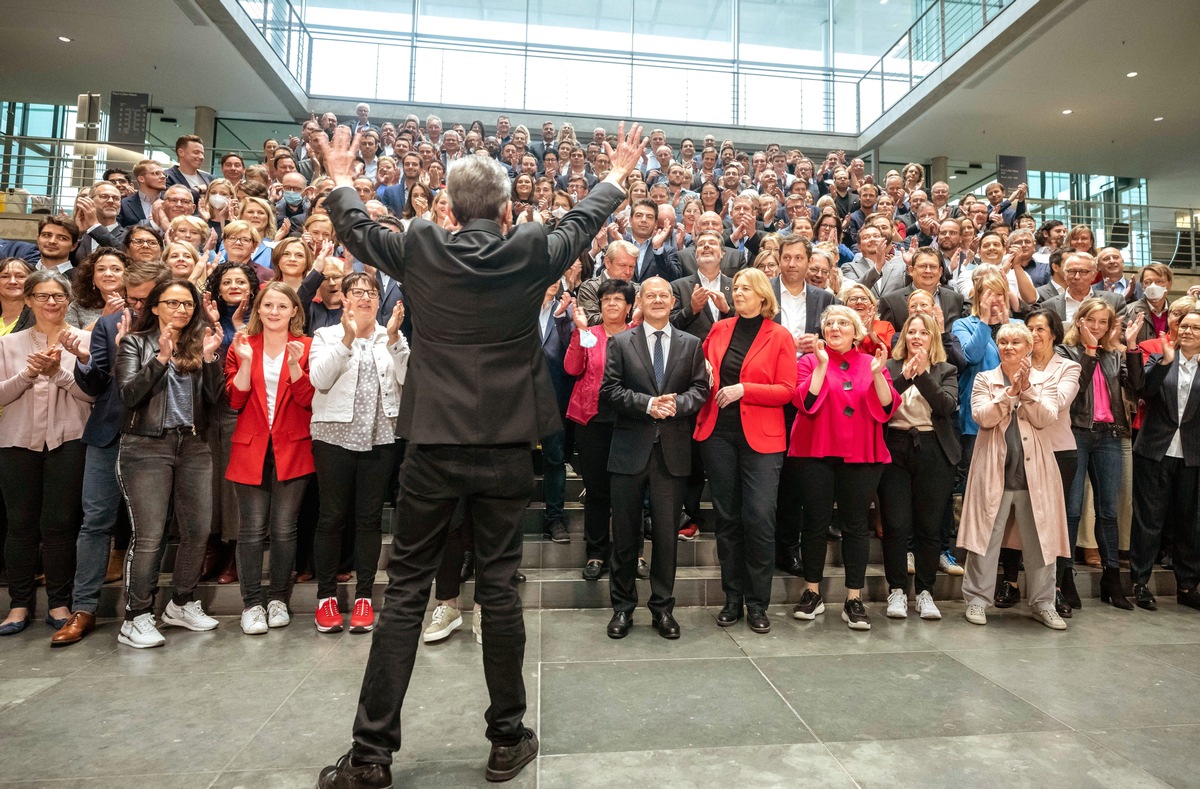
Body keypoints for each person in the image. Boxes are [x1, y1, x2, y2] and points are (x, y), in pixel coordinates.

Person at [314, 121, 646, 787]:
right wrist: (615, 172)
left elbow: (355, 231)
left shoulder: (419, 247)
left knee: (406, 589)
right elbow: (581, 225)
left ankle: (371, 754)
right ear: (504, 210)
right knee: (499, 588)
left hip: (432, 446)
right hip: (504, 448)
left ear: (450, 205)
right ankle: (505, 739)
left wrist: (343, 176)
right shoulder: (528, 248)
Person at [51, 261, 170, 647]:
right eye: (132, 299)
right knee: (95, 521)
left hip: (157, 435)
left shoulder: (177, 326)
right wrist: (85, 360)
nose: (137, 308)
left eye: (145, 300)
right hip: (108, 434)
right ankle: (83, 608)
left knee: (149, 528)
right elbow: (97, 382)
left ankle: (142, 609)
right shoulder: (107, 324)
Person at [114, 279, 225, 648]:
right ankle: (136, 615)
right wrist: (160, 358)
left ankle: (180, 602)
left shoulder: (198, 343)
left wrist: (210, 358)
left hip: (193, 445)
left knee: (197, 530)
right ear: (156, 306)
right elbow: (130, 395)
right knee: (149, 536)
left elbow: (213, 399)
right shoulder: (135, 342)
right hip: (146, 446)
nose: (181, 310)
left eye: (187, 304)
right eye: (172, 303)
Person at [601, 276, 708, 640]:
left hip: (673, 453)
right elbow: (610, 391)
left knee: (666, 537)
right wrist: (647, 404)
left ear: (674, 301)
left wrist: (676, 404)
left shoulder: (692, 344)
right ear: (640, 303)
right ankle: (622, 609)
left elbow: (700, 389)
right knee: (627, 537)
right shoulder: (619, 342)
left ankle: (662, 609)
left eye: (665, 295)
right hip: (629, 451)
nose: (658, 300)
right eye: (651, 295)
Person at [694, 268, 794, 633]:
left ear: (763, 295)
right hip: (718, 433)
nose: (738, 293)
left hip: (762, 440)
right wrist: (702, 369)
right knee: (728, 519)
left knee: (759, 518)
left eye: (746, 288)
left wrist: (744, 389)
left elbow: (787, 390)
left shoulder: (780, 335)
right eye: (735, 287)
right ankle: (732, 597)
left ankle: (757, 603)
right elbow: (702, 370)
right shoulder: (719, 329)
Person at [310, 274, 408, 633]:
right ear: (345, 299)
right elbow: (319, 380)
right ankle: (326, 598)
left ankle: (365, 597)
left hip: (381, 436)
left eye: (371, 293)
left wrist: (396, 340)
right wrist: (347, 340)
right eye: (357, 292)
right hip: (333, 435)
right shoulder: (326, 336)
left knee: (369, 519)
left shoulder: (391, 335)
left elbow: (409, 379)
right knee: (331, 517)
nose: (365, 298)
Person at [788, 304, 896, 631]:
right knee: (816, 523)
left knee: (854, 526)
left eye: (842, 324)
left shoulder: (872, 363)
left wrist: (878, 374)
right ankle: (812, 593)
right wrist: (821, 365)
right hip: (815, 452)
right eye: (830, 323)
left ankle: (853, 598)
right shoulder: (808, 361)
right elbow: (805, 401)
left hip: (861, 454)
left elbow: (888, 406)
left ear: (855, 331)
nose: (835, 328)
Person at [958, 323, 1069, 630]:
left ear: (1028, 347)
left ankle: (1044, 603)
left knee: (1041, 541)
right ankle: (978, 600)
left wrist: (1028, 390)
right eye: (1003, 342)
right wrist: (1009, 394)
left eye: (1016, 342)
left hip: (1035, 476)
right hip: (993, 473)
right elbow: (983, 416)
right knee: (984, 539)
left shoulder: (1044, 380)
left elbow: (1047, 417)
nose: (1009, 347)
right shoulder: (984, 379)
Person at [0, 271, 93, 635]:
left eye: (57, 296)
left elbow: (94, 396)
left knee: (59, 526)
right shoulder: (9, 345)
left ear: (69, 300)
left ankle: (59, 601)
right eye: (41, 296)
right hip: (16, 441)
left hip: (69, 439)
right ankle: (18, 605)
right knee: (19, 525)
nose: (50, 303)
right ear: (28, 300)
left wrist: (58, 373)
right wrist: (26, 375)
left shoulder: (84, 340)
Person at [224, 283, 315, 635]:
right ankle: (251, 604)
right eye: (268, 305)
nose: (274, 311)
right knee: (251, 530)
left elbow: (308, 400)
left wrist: (294, 366)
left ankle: (278, 598)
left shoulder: (307, 347)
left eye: (282, 305)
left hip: (293, 446)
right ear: (258, 310)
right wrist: (245, 363)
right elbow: (235, 400)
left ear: (294, 311)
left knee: (283, 528)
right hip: (251, 446)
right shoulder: (243, 345)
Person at [1055, 298, 1139, 610]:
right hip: (1076, 433)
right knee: (1073, 509)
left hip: (1110, 436)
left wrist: (1130, 349)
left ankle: (1112, 578)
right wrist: (1089, 352)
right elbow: (1073, 393)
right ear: (1079, 321)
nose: (1097, 327)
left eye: (1103, 322)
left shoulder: (1113, 354)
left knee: (1108, 511)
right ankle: (1065, 578)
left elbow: (1137, 387)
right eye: (1092, 320)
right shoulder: (1066, 353)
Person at [878, 313, 960, 620]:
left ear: (933, 339)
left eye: (923, 333)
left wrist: (922, 376)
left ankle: (926, 592)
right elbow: (882, 404)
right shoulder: (889, 368)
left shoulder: (946, 369)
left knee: (929, 527)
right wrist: (904, 377)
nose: (916, 337)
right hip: (895, 448)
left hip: (933, 450)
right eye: (911, 332)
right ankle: (897, 590)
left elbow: (945, 406)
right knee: (897, 524)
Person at [1127, 309, 1200, 613]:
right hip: (1155, 450)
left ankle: (1187, 585)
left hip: (1193, 454)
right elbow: (1141, 388)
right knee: (1149, 520)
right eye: (1184, 325)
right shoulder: (1162, 358)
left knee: (1190, 523)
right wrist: (1166, 361)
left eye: (1196, 327)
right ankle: (1140, 583)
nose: (1188, 331)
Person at [564, 277, 636, 581]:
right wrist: (579, 333)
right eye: (607, 299)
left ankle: (630, 553)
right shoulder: (589, 334)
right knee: (596, 491)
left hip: (628, 422)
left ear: (629, 306)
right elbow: (571, 368)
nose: (611, 304)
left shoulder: (637, 335)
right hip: (591, 420)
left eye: (618, 299)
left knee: (628, 493)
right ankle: (595, 553)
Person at [66, 248, 127, 329]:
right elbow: (70, 340)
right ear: (92, 277)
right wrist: (104, 317)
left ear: (128, 274)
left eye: (116, 269)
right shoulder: (77, 307)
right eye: (101, 269)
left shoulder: (139, 304)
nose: (108, 274)